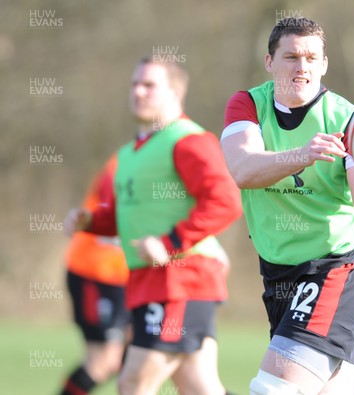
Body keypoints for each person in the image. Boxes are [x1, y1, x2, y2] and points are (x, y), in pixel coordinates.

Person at [220, 17, 354, 395]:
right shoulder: (247, 105)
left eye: (311, 57)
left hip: (332, 273)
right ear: (269, 62)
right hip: (277, 277)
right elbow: (243, 169)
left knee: (271, 388)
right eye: (290, 56)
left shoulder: (352, 121)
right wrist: (302, 155)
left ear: (325, 64)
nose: (301, 66)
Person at [65, 57, 242, 395]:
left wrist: (169, 241)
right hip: (147, 283)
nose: (138, 91)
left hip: (181, 282)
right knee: (199, 387)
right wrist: (90, 221)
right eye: (134, 84)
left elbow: (226, 202)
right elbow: (123, 218)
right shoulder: (130, 153)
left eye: (149, 85)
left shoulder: (188, 140)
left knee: (133, 381)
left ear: (175, 92)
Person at [60, 155, 130, 395]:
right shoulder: (124, 163)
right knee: (103, 361)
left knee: (139, 356)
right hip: (95, 272)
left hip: (127, 278)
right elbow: (115, 211)